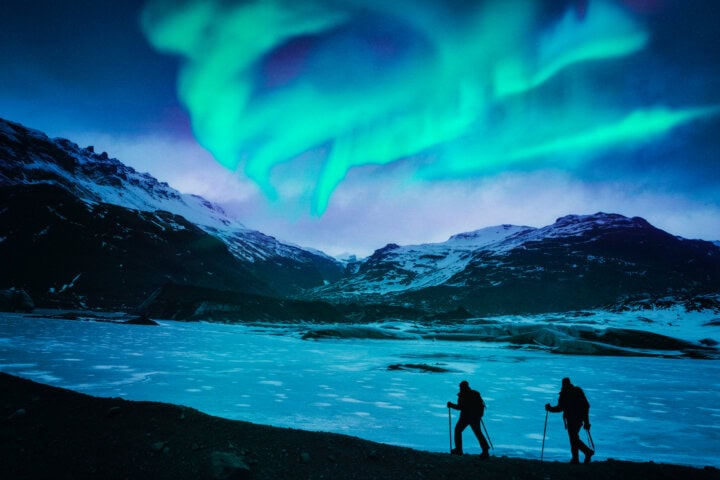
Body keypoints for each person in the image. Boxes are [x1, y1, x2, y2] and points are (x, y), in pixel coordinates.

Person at [545, 377, 594, 464]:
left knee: (573, 438)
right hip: (579, 419)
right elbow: (586, 406)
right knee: (574, 438)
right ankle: (576, 458)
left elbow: (560, 408)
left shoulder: (564, 394)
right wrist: (586, 421)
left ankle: (586, 453)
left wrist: (550, 408)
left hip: (571, 419)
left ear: (563, 384)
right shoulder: (578, 391)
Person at [447, 380, 490, 458]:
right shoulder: (475, 394)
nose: (460, 388)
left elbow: (460, 407)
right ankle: (485, 451)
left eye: (461, 387)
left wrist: (451, 405)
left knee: (458, 430)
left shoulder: (463, 395)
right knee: (478, 433)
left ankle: (459, 450)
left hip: (465, 417)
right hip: (475, 417)